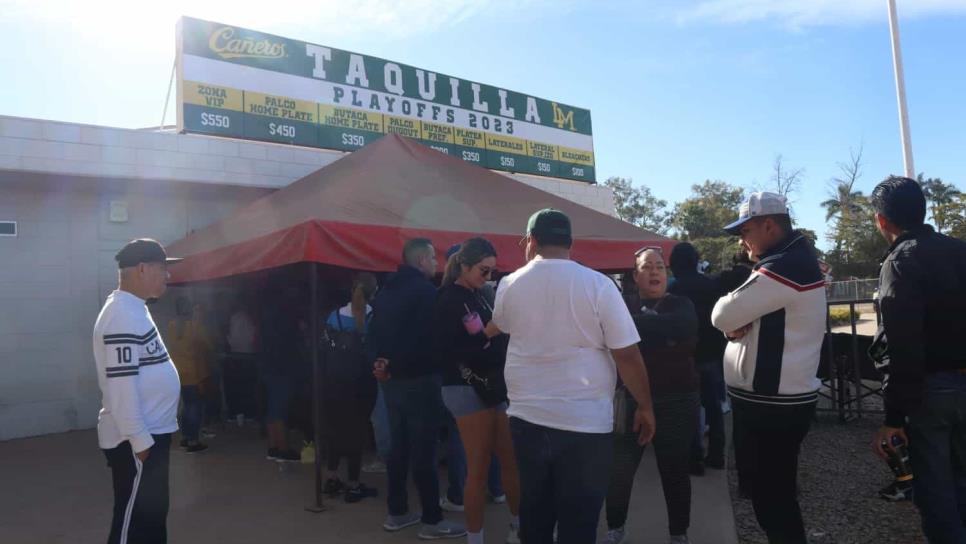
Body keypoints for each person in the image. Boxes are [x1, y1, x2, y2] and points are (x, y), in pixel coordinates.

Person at [488, 208, 656, 544]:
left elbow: (502, 326)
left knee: (534, 516)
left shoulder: (509, 284)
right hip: (585, 425)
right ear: (571, 243)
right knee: (578, 524)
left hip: (528, 419)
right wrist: (646, 406)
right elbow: (626, 354)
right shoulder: (599, 285)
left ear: (532, 241)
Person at [710, 192, 826, 544]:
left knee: (774, 500)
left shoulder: (785, 265)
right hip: (773, 401)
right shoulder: (790, 259)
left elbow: (722, 315)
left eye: (745, 231)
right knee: (770, 496)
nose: (743, 241)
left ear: (769, 225)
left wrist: (735, 322)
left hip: (774, 405)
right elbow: (737, 320)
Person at [868, 176, 966, 542]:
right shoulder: (960, 250)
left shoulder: (899, 263)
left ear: (882, 220)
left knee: (937, 494)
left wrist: (892, 419)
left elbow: (901, 344)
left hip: (932, 393)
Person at [370, 238, 467, 539]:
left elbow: (372, 335)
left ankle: (397, 512)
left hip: (391, 382)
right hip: (421, 381)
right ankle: (432, 520)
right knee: (424, 451)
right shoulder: (426, 293)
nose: (438, 265)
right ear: (422, 260)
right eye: (434, 260)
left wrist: (382, 365)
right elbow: (431, 341)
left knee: (398, 449)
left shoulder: (385, 291)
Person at [604, 247, 699, 544]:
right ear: (636, 275)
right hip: (632, 400)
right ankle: (615, 529)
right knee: (620, 471)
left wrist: (635, 326)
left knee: (674, 471)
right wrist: (664, 336)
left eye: (660, 266)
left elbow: (684, 327)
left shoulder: (682, 304)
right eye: (647, 267)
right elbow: (610, 334)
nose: (655, 272)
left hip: (678, 398)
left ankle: (678, 533)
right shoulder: (621, 304)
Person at [94, 239, 182, 544]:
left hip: (150, 436)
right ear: (142, 269)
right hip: (137, 441)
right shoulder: (121, 314)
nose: (167, 276)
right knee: (132, 524)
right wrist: (141, 443)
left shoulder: (134, 309)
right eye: (162, 269)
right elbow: (122, 388)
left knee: (152, 519)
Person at [435, 238, 521, 544]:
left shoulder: (478, 295)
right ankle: (476, 537)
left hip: (491, 387)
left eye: (492, 272)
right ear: (465, 266)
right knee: (479, 466)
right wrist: (490, 331)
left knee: (510, 460)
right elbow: (453, 350)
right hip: (466, 387)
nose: (489, 277)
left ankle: (517, 527)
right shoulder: (449, 299)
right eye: (484, 271)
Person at [322, 272, 380, 503]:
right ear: (373, 294)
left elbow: (324, 349)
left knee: (336, 428)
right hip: (363, 382)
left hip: (335, 381)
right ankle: (354, 484)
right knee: (357, 431)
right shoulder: (374, 317)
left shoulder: (333, 317)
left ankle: (331, 477)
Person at [668, 242, 726, 473]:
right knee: (714, 407)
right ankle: (717, 455)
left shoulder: (673, 288)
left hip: (684, 356)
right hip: (711, 355)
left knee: (689, 409)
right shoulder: (712, 286)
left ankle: (695, 459)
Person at [258, 286, 304, 462]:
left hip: (267, 367)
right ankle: (284, 449)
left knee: (272, 408)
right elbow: (293, 345)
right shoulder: (286, 319)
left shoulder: (266, 318)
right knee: (280, 409)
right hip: (282, 368)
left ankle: (273, 447)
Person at [166, 297, 212, 453]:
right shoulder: (195, 326)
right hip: (195, 372)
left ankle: (185, 438)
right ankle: (194, 441)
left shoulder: (172, 325)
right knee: (195, 406)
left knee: (186, 406)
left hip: (178, 372)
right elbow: (207, 344)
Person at [224, 301, 258, 425]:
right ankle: (248, 414)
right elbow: (252, 336)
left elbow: (229, 337)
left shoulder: (232, 319)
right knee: (247, 386)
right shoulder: (249, 319)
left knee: (236, 387)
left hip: (234, 356)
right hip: (248, 355)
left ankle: (237, 415)